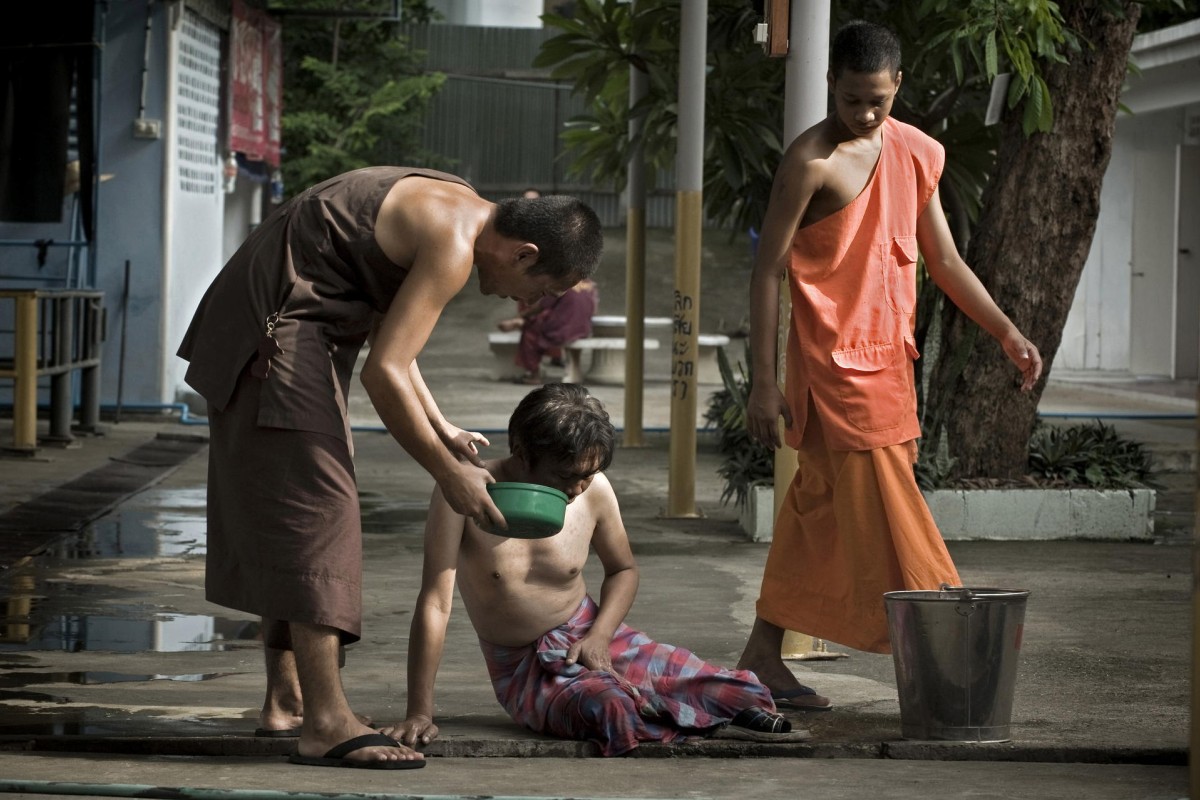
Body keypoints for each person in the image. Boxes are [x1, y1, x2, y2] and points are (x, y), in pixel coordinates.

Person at [177, 167, 603, 769]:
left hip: (289, 324)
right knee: (318, 510)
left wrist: (440, 427)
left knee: (300, 502)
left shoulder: (462, 207)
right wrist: (447, 473)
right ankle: (324, 722)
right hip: (276, 330)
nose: (526, 303)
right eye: (537, 289)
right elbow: (385, 374)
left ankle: (288, 698)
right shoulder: (455, 242)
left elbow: (395, 347)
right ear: (523, 252)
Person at [735, 21, 1043, 711]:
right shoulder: (809, 161)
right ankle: (948, 655)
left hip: (891, 363)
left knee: (816, 511)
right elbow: (766, 272)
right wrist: (761, 379)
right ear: (830, 87)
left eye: (878, 99)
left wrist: (1005, 331)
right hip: (834, 371)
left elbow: (946, 261)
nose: (867, 114)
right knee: (895, 516)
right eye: (852, 100)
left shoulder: (915, 152)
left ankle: (762, 653)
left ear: (898, 84)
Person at [380, 383, 809, 756]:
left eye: (589, 474)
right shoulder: (464, 492)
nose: (577, 487)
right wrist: (419, 711)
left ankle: (698, 711)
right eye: (566, 475)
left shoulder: (593, 489)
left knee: (734, 690)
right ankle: (678, 718)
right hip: (523, 669)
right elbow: (435, 603)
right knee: (610, 708)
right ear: (522, 453)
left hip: (597, 636)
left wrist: (600, 637)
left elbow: (623, 569)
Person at [496, 277, 599, 384]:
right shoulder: (590, 284)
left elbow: (541, 306)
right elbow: (594, 311)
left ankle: (534, 375)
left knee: (530, 332)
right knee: (543, 320)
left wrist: (520, 316)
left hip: (564, 331)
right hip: (583, 330)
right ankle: (522, 323)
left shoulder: (563, 281)